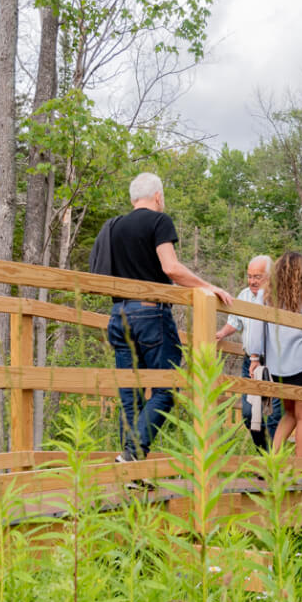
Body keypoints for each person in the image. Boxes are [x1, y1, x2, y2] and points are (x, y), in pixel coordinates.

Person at [105, 172, 233, 463]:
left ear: (133, 198)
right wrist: (207, 286)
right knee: (168, 386)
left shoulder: (114, 226)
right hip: (150, 314)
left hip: (118, 313)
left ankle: (131, 467)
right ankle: (134, 454)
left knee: (130, 392)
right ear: (158, 196)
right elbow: (171, 268)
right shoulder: (159, 221)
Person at [246, 252, 302, 458]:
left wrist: (254, 357)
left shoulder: (264, 296)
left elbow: (256, 329)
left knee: (289, 414)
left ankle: (273, 462)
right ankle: (299, 468)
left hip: (278, 365)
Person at [215, 255, 282, 448]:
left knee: (274, 415)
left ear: (270, 276)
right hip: (249, 362)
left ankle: (274, 462)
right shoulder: (244, 294)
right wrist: (221, 334)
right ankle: (264, 454)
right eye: (250, 276)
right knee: (248, 413)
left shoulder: (277, 297)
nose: (252, 281)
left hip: (274, 361)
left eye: (257, 277)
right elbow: (234, 322)